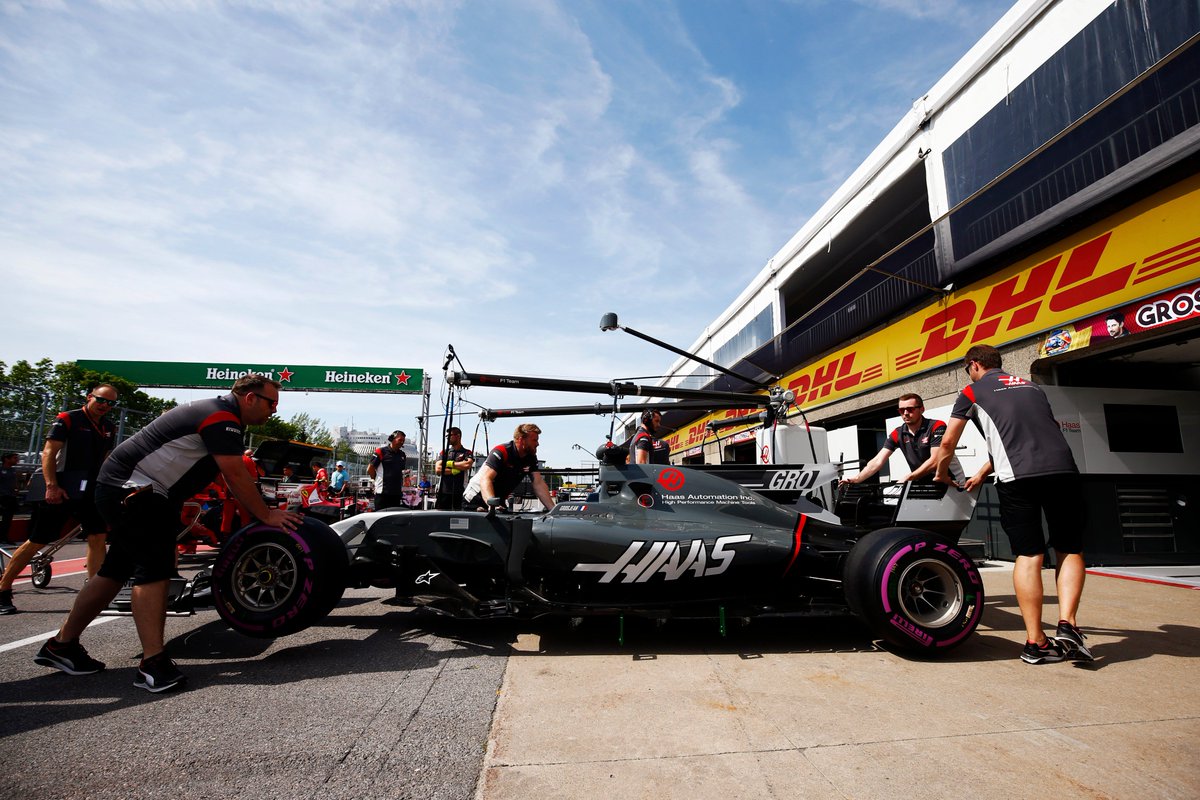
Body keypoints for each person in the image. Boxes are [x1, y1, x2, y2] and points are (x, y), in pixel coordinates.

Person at [32, 375, 302, 692]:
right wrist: (267, 514)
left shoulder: (223, 416)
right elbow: (234, 473)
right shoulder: (222, 417)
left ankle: (61, 646)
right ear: (250, 398)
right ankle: (152, 664)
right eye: (272, 403)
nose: (274, 411)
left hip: (130, 488)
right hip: (134, 488)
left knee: (115, 569)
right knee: (155, 569)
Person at [933, 344, 1093, 665]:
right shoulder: (1032, 386)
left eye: (968, 369)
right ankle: (1068, 623)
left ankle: (1036, 642)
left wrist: (940, 472)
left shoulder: (971, 390)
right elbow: (1021, 436)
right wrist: (980, 473)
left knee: (1029, 554)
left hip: (1018, 479)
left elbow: (948, 440)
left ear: (974, 365)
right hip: (1063, 470)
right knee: (1070, 548)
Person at [0, 385, 119, 615]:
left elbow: (105, 458)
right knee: (38, 540)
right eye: (101, 400)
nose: (105, 405)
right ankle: (3, 589)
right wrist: (51, 485)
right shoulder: (68, 419)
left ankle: (94, 593)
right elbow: (49, 452)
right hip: (62, 488)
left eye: (111, 403)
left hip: (90, 489)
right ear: (90, 397)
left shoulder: (108, 427)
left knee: (98, 537)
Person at [841, 393, 957, 485]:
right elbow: (877, 461)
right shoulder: (898, 433)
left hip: (951, 481)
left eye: (910, 409)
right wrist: (856, 479)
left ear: (922, 409)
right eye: (901, 410)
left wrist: (908, 477)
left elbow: (935, 461)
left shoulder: (937, 426)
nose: (905, 413)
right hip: (922, 482)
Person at [462, 423, 554, 511]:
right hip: (475, 498)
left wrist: (553, 509)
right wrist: (492, 505)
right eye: (534, 440)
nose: (538, 444)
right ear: (522, 440)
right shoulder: (502, 451)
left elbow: (538, 484)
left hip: (497, 500)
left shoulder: (530, 457)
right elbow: (486, 479)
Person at [434, 427, 473, 510]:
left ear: (458, 436)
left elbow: (467, 465)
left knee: (459, 519)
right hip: (444, 492)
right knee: (441, 517)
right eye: (446, 436)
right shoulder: (444, 452)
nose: (447, 438)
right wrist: (454, 470)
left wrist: (449, 463)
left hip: (460, 492)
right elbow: (438, 469)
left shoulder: (467, 452)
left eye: (449, 435)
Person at [368, 431, 407, 510]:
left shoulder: (402, 455)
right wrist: (376, 479)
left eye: (403, 441)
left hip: (396, 494)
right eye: (400, 440)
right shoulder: (381, 451)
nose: (402, 442)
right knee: (381, 519)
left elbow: (400, 471)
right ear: (392, 439)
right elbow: (370, 469)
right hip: (382, 493)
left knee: (394, 519)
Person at [0, 452, 19, 543]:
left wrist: (16, 489)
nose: (17, 460)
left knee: (7, 519)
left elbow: (14, 482)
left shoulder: (13, 470)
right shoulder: (1, 469)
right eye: (14, 458)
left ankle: (4, 537)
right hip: (2, 497)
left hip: (10, 497)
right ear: (6, 459)